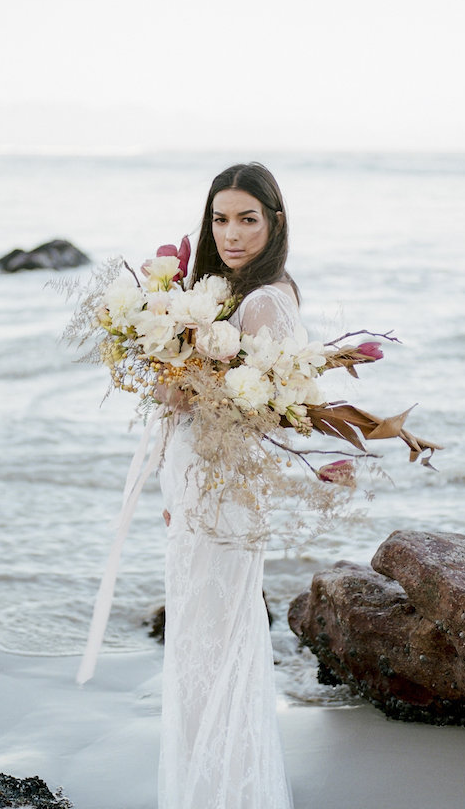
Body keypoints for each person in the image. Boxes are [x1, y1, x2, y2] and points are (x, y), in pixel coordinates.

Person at [158, 163, 297, 809]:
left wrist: (178, 385)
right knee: (202, 643)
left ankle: (224, 791)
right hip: (204, 493)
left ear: (274, 222)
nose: (232, 233)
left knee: (216, 647)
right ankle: (211, 784)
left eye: (248, 219)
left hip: (226, 499)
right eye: (221, 219)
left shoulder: (265, 301)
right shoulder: (230, 294)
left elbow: (261, 416)